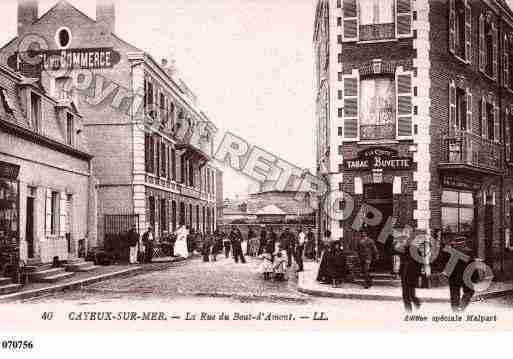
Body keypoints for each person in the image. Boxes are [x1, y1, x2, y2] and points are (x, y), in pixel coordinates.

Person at [441, 236, 477, 312]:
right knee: (469, 291)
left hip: (453, 277)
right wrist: (475, 277)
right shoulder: (469, 251)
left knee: (454, 293)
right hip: (465, 276)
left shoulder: (450, 251)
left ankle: (454, 310)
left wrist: (446, 274)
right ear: (464, 243)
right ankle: (462, 306)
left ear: (456, 243)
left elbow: (445, 264)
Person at [398, 238, 422, 312]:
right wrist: (400, 272)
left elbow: (419, 263)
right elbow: (401, 262)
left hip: (412, 275)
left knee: (411, 294)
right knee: (405, 294)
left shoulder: (416, 251)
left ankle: (416, 302)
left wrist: (418, 275)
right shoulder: (403, 250)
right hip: (404, 274)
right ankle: (408, 311)